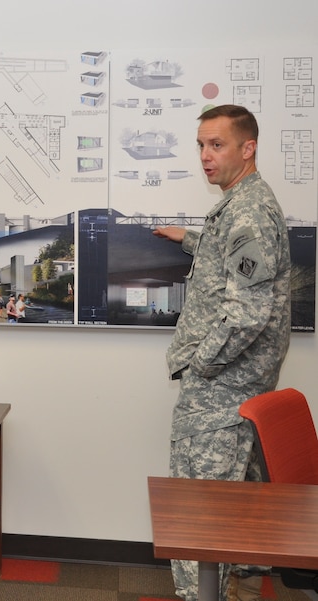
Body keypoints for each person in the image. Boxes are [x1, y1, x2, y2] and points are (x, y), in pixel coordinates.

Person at [153, 104, 291, 601]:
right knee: (238, 509)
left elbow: (249, 314)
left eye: (217, 145)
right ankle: (239, 590)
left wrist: (202, 363)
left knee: (200, 513)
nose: (206, 157)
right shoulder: (242, 203)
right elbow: (232, 259)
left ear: (247, 148)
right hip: (242, 387)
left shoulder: (248, 210)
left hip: (223, 389)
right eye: (201, 146)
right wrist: (190, 239)